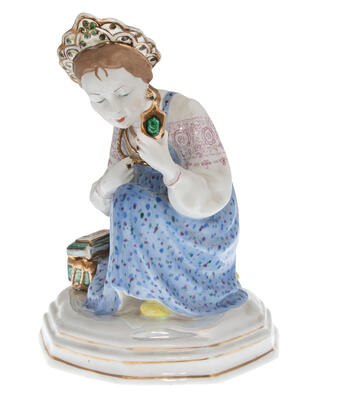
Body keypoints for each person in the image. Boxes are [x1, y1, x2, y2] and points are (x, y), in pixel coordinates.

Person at [58, 14, 247, 316]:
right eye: (98, 100)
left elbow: (216, 193)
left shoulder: (183, 111)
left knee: (130, 199)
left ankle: (159, 290)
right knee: (126, 197)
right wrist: (106, 185)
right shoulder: (124, 125)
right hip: (153, 224)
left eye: (122, 93)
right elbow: (115, 206)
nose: (114, 109)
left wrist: (169, 169)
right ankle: (136, 285)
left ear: (144, 80)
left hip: (200, 226)